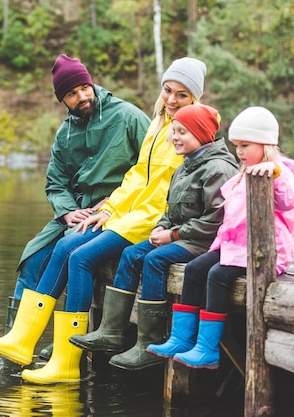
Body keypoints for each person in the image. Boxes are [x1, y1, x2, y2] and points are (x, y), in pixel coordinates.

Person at [0, 57, 208, 384]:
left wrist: (132, 216)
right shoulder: (158, 122)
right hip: (119, 210)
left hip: (149, 219)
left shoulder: (172, 125)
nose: (172, 99)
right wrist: (106, 209)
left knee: (78, 255)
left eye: (182, 95)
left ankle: (64, 359)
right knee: (54, 251)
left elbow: (179, 186)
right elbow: (136, 176)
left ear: (195, 98)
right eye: (168, 91)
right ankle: (25, 342)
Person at [69, 104, 238, 371]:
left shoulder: (217, 168)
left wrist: (172, 235)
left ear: (202, 133)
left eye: (183, 132)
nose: (175, 138)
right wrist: (161, 228)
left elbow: (216, 220)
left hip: (202, 242)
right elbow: (169, 208)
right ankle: (111, 332)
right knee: (131, 253)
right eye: (174, 131)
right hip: (179, 235)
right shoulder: (185, 165)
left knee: (156, 260)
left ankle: (148, 343)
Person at [4, 54, 151, 339]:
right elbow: (56, 183)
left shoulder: (128, 117)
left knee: (72, 252)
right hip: (77, 214)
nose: (82, 96)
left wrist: (114, 202)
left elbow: (152, 170)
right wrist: (68, 211)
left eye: (85, 87)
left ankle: (64, 342)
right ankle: (15, 342)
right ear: (62, 100)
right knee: (32, 259)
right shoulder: (65, 134)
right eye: (72, 93)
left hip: (119, 211)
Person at [147, 106, 294, 369]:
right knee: (195, 269)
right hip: (234, 245)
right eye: (236, 145)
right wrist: (216, 246)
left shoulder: (278, 172)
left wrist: (273, 174)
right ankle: (181, 338)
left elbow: (288, 201)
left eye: (245, 146)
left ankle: (207, 349)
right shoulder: (242, 173)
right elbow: (230, 219)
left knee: (217, 276)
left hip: (262, 250)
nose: (239, 152)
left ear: (265, 144)